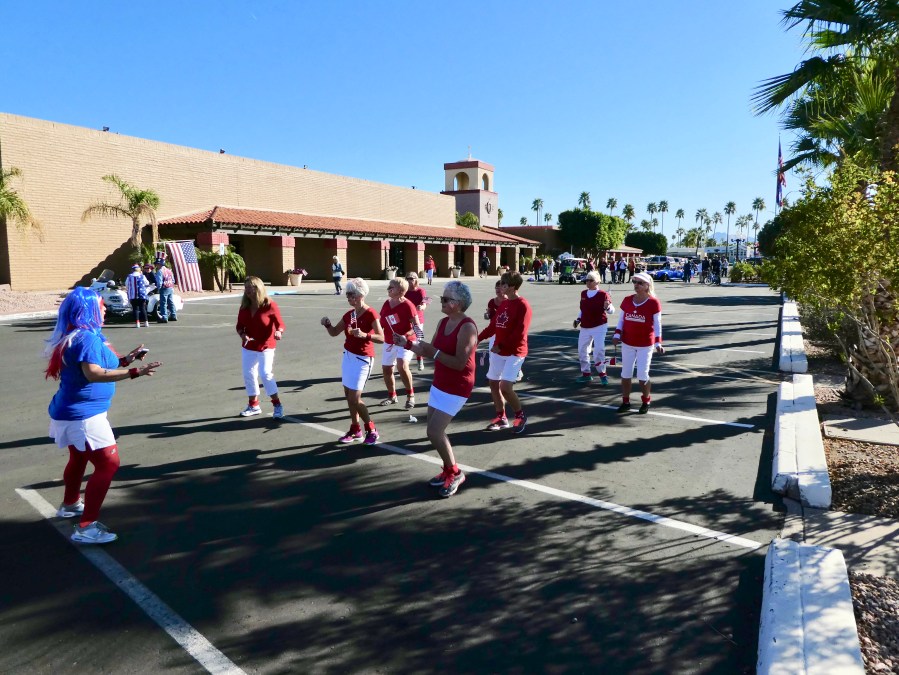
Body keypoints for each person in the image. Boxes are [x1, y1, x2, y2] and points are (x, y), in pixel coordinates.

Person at [45, 287, 163, 544]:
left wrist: (127, 359)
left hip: (73, 411)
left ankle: (70, 504)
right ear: (87, 309)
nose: (105, 307)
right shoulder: (86, 338)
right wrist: (135, 373)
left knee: (79, 457)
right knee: (108, 464)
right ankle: (86, 527)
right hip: (83, 415)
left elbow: (102, 364)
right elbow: (93, 373)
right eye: (101, 304)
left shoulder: (81, 335)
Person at [392, 281, 478, 498]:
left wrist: (435, 353)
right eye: (442, 298)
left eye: (446, 299)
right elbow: (427, 348)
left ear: (458, 303)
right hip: (440, 382)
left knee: (434, 431)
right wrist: (406, 343)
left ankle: (455, 473)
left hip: (458, 386)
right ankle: (448, 470)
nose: (442, 301)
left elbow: (459, 363)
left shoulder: (467, 327)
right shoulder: (443, 322)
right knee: (432, 431)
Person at [320, 277, 384, 444]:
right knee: (348, 395)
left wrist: (365, 335)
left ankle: (371, 429)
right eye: (347, 294)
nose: (348, 297)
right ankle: (355, 429)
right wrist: (327, 324)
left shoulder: (371, 313)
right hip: (348, 356)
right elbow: (334, 332)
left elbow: (382, 338)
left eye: (351, 294)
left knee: (354, 398)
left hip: (363, 359)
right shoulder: (349, 315)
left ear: (361, 295)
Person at [478, 270, 531, 432]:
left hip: (515, 352)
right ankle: (501, 417)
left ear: (512, 287)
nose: (500, 286)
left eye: (504, 284)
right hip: (499, 352)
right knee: (493, 383)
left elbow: (520, 333)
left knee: (505, 387)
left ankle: (520, 416)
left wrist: (501, 346)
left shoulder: (523, 305)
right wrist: (477, 339)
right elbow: (493, 326)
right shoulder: (504, 304)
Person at [612, 271, 664, 414]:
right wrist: (617, 334)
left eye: (640, 283)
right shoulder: (627, 300)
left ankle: (646, 401)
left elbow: (657, 324)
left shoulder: (653, 302)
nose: (636, 285)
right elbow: (621, 320)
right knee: (625, 374)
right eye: (635, 282)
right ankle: (625, 401)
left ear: (647, 285)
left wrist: (658, 343)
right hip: (627, 343)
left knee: (642, 375)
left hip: (645, 345)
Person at [236, 277, 285, 418]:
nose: (247, 291)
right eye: (245, 288)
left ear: (258, 288)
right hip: (249, 346)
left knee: (265, 374)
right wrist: (243, 334)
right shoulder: (244, 307)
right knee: (249, 374)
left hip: (266, 345)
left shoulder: (270, 305)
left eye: (250, 288)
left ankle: (277, 405)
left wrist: (279, 331)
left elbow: (280, 324)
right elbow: (239, 326)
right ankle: (253, 405)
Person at [378, 276, 421, 410]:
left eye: (391, 287)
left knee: (402, 366)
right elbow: (380, 323)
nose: (388, 289)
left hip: (405, 342)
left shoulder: (408, 305)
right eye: (388, 286)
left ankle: (410, 395)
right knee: (387, 369)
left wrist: (404, 336)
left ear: (401, 291)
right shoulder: (387, 303)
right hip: (389, 342)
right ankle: (392, 396)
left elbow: (417, 327)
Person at [574, 271, 614, 384]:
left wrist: (607, 307)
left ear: (597, 282)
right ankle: (586, 373)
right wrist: (578, 319)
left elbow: (611, 311)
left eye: (591, 280)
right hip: (585, 326)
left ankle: (602, 374)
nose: (588, 282)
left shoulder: (603, 294)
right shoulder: (583, 293)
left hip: (599, 326)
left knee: (599, 351)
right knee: (582, 350)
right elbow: (583, 309)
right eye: (587, 280)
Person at [404, 272, 428, 372]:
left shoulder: (421, 291)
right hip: (406, 320)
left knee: (418, 340)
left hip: (418, 320)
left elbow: (425, 303)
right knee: (405, 339)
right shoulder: (404, 291)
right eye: (407, 279)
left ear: (416, 280)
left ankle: (420, 360)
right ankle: (405, 362)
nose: (409, 281)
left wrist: (422, 307)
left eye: (412, 279)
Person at [154, 254, 177, 322]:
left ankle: (164, 317)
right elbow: (173, 280)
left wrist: (158, 288)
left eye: (158, 264)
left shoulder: (160, 271)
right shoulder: (169, 270)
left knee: (163, 303)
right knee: (170, 302)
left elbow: (159, 282)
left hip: (164, 288)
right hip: (170, 287)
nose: (157, 265)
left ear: (160, 264)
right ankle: (173, 315)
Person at [125, 263, 149, 328]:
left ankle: (137, 323)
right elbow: (147, 283)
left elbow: (126, 284)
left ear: (132, 270)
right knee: (143, 308)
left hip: (133, 295)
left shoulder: (129, 276)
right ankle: (146, 322)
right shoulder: (142, 276)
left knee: (135, 309)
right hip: (142, 295)